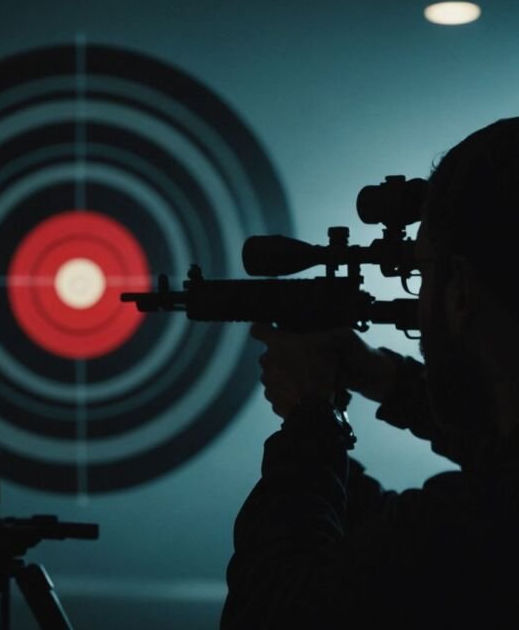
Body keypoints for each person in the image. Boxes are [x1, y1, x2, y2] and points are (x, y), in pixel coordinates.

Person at [219, 117, 519, 629]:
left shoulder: (483, 523)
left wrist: (311, 421)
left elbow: (272, 610)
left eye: (423, 273)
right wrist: (380, 380)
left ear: (461, 290)